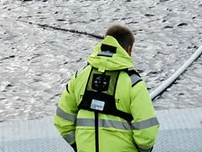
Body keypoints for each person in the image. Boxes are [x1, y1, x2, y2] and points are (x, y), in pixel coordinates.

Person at [54, 24, 159, 152]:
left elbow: (62, 121)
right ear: (129, 49)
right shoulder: (133, 83)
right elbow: (146, 132)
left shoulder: (79, 77)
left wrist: (77, 145)